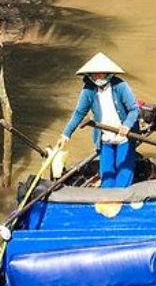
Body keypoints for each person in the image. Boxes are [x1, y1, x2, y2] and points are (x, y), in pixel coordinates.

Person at [61, 52, 143, 187]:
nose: (97, 77)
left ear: (108, 73)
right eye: (94, 74)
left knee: (124, 172)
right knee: (107, 174)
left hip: (124, 137)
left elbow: (134, 109)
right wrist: (66, 133)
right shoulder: (88, 91)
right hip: (105, 137)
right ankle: (106, 199)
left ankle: (121, 199)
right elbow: (79, 113)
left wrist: (127, 125)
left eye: (101, 73)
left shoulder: (120, 86)